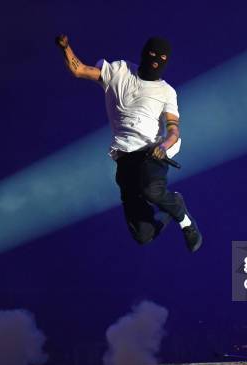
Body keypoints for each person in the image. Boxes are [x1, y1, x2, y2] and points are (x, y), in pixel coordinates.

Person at [55, 34, 202, 252]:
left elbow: (173, 130)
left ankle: (185, 221)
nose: (156, 61)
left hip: (151, 153)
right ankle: (168, 211)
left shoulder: (167, 92)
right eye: (152, 55)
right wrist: (65, 48)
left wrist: (163, 147)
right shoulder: (119, 71)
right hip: (124, 159)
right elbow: (79, 70)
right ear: (144, 53)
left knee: (152, 189)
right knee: (143, 236)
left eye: (162, 58)